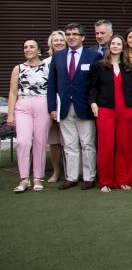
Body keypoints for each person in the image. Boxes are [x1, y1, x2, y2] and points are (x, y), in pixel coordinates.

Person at [47, 22, 101, 191]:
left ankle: (89, 177)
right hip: (64, 108)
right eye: (68, 34)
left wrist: (94, 104)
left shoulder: (93, 56)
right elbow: (52, 84)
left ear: (82, 37)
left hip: (85, 107)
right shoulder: (58, 56)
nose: (71, 37)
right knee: (69, 145)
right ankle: (71, 177)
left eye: (74, 34)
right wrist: (52, 108)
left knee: (87, 143)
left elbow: (96, 84)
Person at [88, 35, 132, 192]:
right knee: (106, 146)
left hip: (126, 109)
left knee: (125, 145)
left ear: (123, 47)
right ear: (108, 46)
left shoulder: (128, 66)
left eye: (118, 44)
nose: (115, 46)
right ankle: (105, 181)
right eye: (113, 44)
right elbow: (93, 87)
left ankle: (124, 179)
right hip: (106, 109)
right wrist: (93, 103)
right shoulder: (99, 66)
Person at [8, 40, 50, 192]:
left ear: (39, 50)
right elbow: (13, 92)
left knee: (40, 141)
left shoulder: (47, 67)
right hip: (23, 106)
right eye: (25, 47)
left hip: (42, 104)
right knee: (23, 142)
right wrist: (10, 114)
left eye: (32, 47)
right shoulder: (18, 68)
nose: (27, 49)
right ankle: (24, 179)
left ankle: (38, 178)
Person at [44, 31, 67, 184]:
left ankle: (69, 171)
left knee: (68, 140)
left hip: (67, 105)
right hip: (52, 106)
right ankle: (56, 171)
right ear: (50, 44)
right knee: (54, 141)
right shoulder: (44, 63)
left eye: (61, 40)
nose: (58, 43)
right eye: (55, 40)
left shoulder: (70, 58)